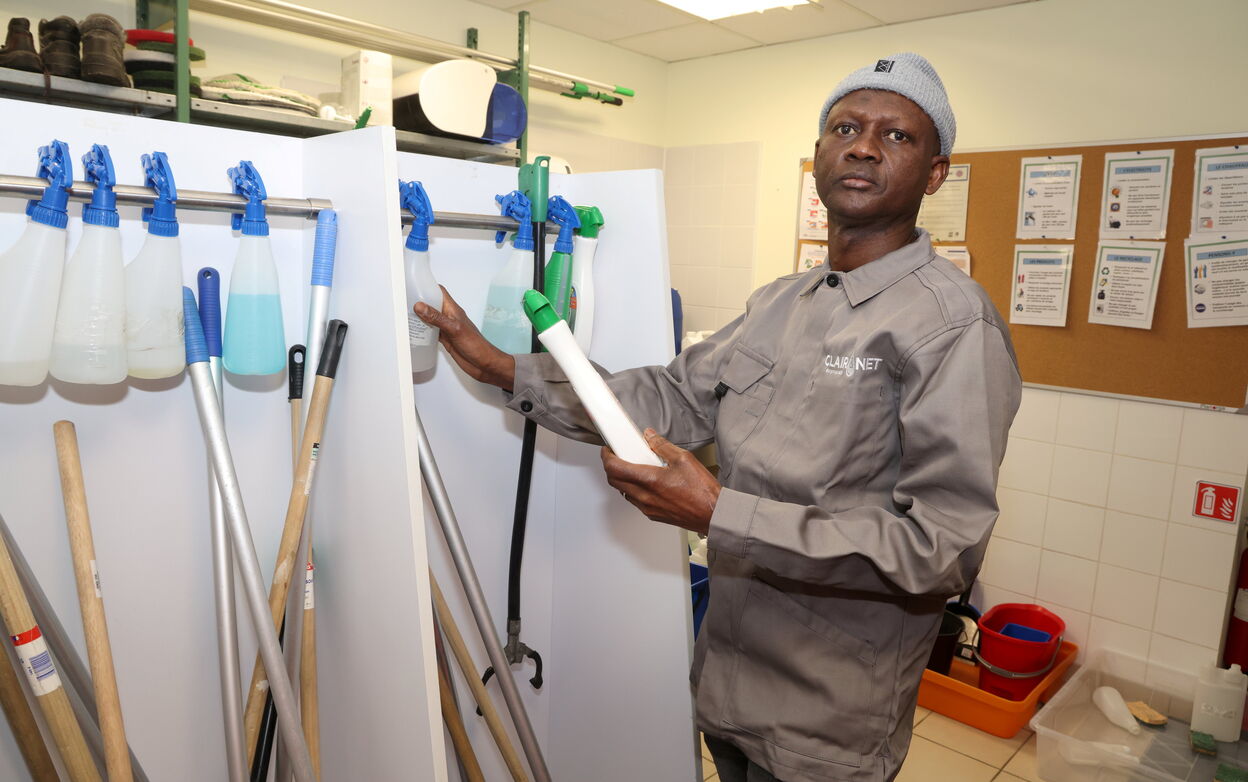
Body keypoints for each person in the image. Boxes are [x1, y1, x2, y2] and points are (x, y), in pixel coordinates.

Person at [415, 52, 1021, 782]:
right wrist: (501, 367)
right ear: (820, 155)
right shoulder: (781, 303)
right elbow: (668, 398)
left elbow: (941, 550)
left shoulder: (951, 326)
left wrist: (717, 512)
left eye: (896, 136)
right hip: (727, 687)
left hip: (828, 722)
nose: (863, 145)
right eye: (845, 127)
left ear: (935, 172)